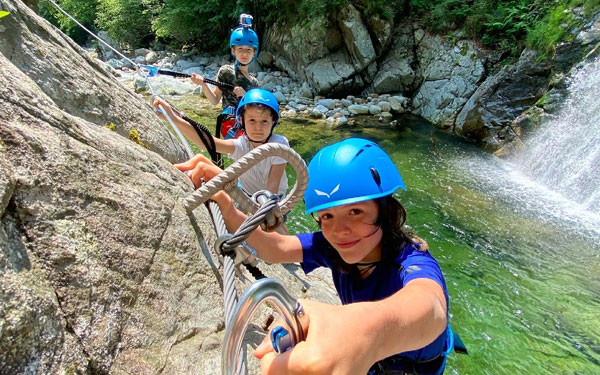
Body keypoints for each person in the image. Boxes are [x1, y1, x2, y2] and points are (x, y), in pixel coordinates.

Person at [175, 138, 453, 375]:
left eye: (355, 212)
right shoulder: (331, 247)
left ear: (386, 212)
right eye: (327, 216)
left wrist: (363, 330)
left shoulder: (413, 258)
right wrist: (225, 200)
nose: (340, 230)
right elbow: (275, 248)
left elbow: (432, 308)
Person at [155, 88, 289, 196]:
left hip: (273, 200)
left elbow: (273, 186)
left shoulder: (279, 144)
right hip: (247, 195)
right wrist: (173, 118)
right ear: (242, 121)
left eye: (264, 121)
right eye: (252, 120)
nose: (258, 127)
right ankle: (198, 161)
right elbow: (207, 142)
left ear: (273, 123)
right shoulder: (241, 144)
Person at [190, 14, 259, 112]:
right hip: (228, 123)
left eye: (249, 50)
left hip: (245, 125)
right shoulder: (226, 71)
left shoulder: (254, 82)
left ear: (254, 53)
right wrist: (203, 84)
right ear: (233, 51)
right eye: (240, 49)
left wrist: (246, 97)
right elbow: (215, 100)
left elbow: (255, 111)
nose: (244, 53)